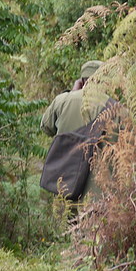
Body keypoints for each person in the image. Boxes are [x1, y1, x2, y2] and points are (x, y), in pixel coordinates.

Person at [40, 60, 116, 199]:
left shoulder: (62, 101)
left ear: (81, 80)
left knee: (65, 220)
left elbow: (46, 127)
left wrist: (72, 94)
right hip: (98, 196)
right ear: (106, 81)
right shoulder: (115, 108)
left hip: (65, 187)